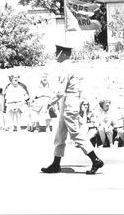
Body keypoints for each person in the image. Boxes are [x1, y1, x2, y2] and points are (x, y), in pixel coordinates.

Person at [41, 45, 104, 174]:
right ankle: (56, 163)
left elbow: (60, 91)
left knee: (75, 133)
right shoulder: (73, 66)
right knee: (60, 133)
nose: (55, 55)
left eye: (57, 52)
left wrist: (50, 102)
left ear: (63, 54)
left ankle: (95, 159)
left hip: (69, 101)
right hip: (71, 101)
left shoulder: (66, 68)